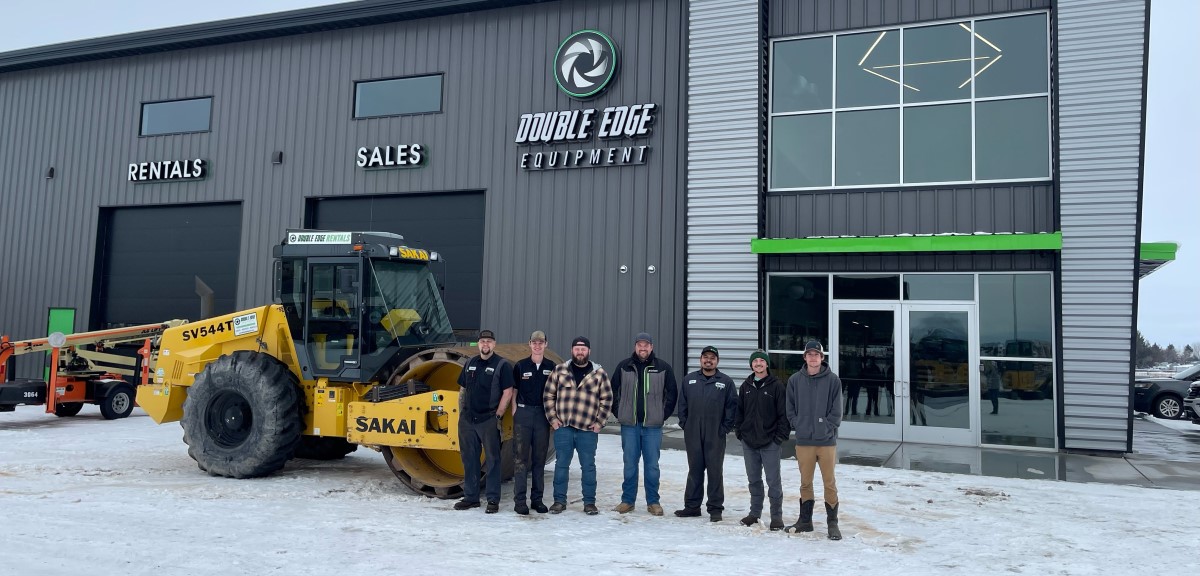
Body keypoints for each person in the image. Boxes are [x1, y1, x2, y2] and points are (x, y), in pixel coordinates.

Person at [543, 336, 613, 516]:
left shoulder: (599, 374)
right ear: (572, 350)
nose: (580, 352)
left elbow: (607, 399)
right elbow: (548, 395)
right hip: (564, 428)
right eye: (577, 348)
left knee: (588, 466)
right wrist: (553, 419)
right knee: (561, 465)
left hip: (588, 430)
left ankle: (589, 503)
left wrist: (599, 423)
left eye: (583, 349)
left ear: (588, 351)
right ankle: (559, 501)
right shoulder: (560, 370)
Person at [610, 332, 678, 516]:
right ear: (635, 347)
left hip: (652, 427)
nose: (643, 348)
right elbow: (612, 390)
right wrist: (619, 412)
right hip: (629, 426)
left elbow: (672, 393)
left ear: (651, 347)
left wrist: (662, 415)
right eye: (640, 345)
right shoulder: (624, 366)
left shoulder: (662, 367)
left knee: (652, 465)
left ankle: (653, 502)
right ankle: (627, 501)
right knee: (630, 464)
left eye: (646, 345)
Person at [785, 340, 844, 540]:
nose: (813, 358)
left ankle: (832, 524)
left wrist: (826, 427)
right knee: (805, 483)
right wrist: (798, 424)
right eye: (809, 354)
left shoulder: (833, 380)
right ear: (805, 357)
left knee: (829, 482)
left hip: (826, 442)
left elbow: (837, 413)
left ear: (822, 357)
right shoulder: (795, 380)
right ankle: (805, 521)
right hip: (804, 441)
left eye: (816, 354)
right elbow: (790, 408)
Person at [454, 329, 515, 514]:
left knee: (493, 460)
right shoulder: (470, 363)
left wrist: (498, 414)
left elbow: (508, 391)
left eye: (489, 341)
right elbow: (462, 388)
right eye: (482, 341)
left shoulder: (501, 365)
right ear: (478, 344)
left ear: (494, 344)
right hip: (468, 420)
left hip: (488, 419)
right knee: (469, 459)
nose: (485, 344)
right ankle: (471, 497)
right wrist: (462, 412)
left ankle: (492, 500)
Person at [675, 345, 737, 522]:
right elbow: (682, 404)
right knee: (695, 469)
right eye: (705, 357)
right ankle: (692, 506)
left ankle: (715, 509)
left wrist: (725, 428)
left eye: (712, 357)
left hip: (715, 433)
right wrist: (685, 423)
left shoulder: (725, 382)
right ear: (700, 359)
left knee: (714, 471)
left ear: (717, 361)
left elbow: (732, 407)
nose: (708, 360)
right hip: (693, 431)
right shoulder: (689, 380)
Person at [735, 349, 789, 531]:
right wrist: (740, 433)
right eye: (755, 361)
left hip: (770, 442)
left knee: (773, 481)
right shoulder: (745, 386)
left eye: (761, 361)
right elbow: (739, 412)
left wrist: (779, 437)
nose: (758, 363)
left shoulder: (776, 386)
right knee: (754, 480)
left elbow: (784, 414)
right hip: (749, 442)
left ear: (767, 364)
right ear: (751, 365)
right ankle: (754, 514)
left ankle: (776, 517)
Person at [510, 330, 553, 515]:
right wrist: (514, 409)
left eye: (541, 342)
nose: (537, 345)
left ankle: (537, 500)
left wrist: (553, 415)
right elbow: (514, 389)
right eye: (534, 342)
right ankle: (520, 501)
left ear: (545, 345)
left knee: (539, 460)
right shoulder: (520, 366)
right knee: (520, 459)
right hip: (524, 414)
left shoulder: (551, 366)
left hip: (542, 415)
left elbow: (556, 392)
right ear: (529, 344)